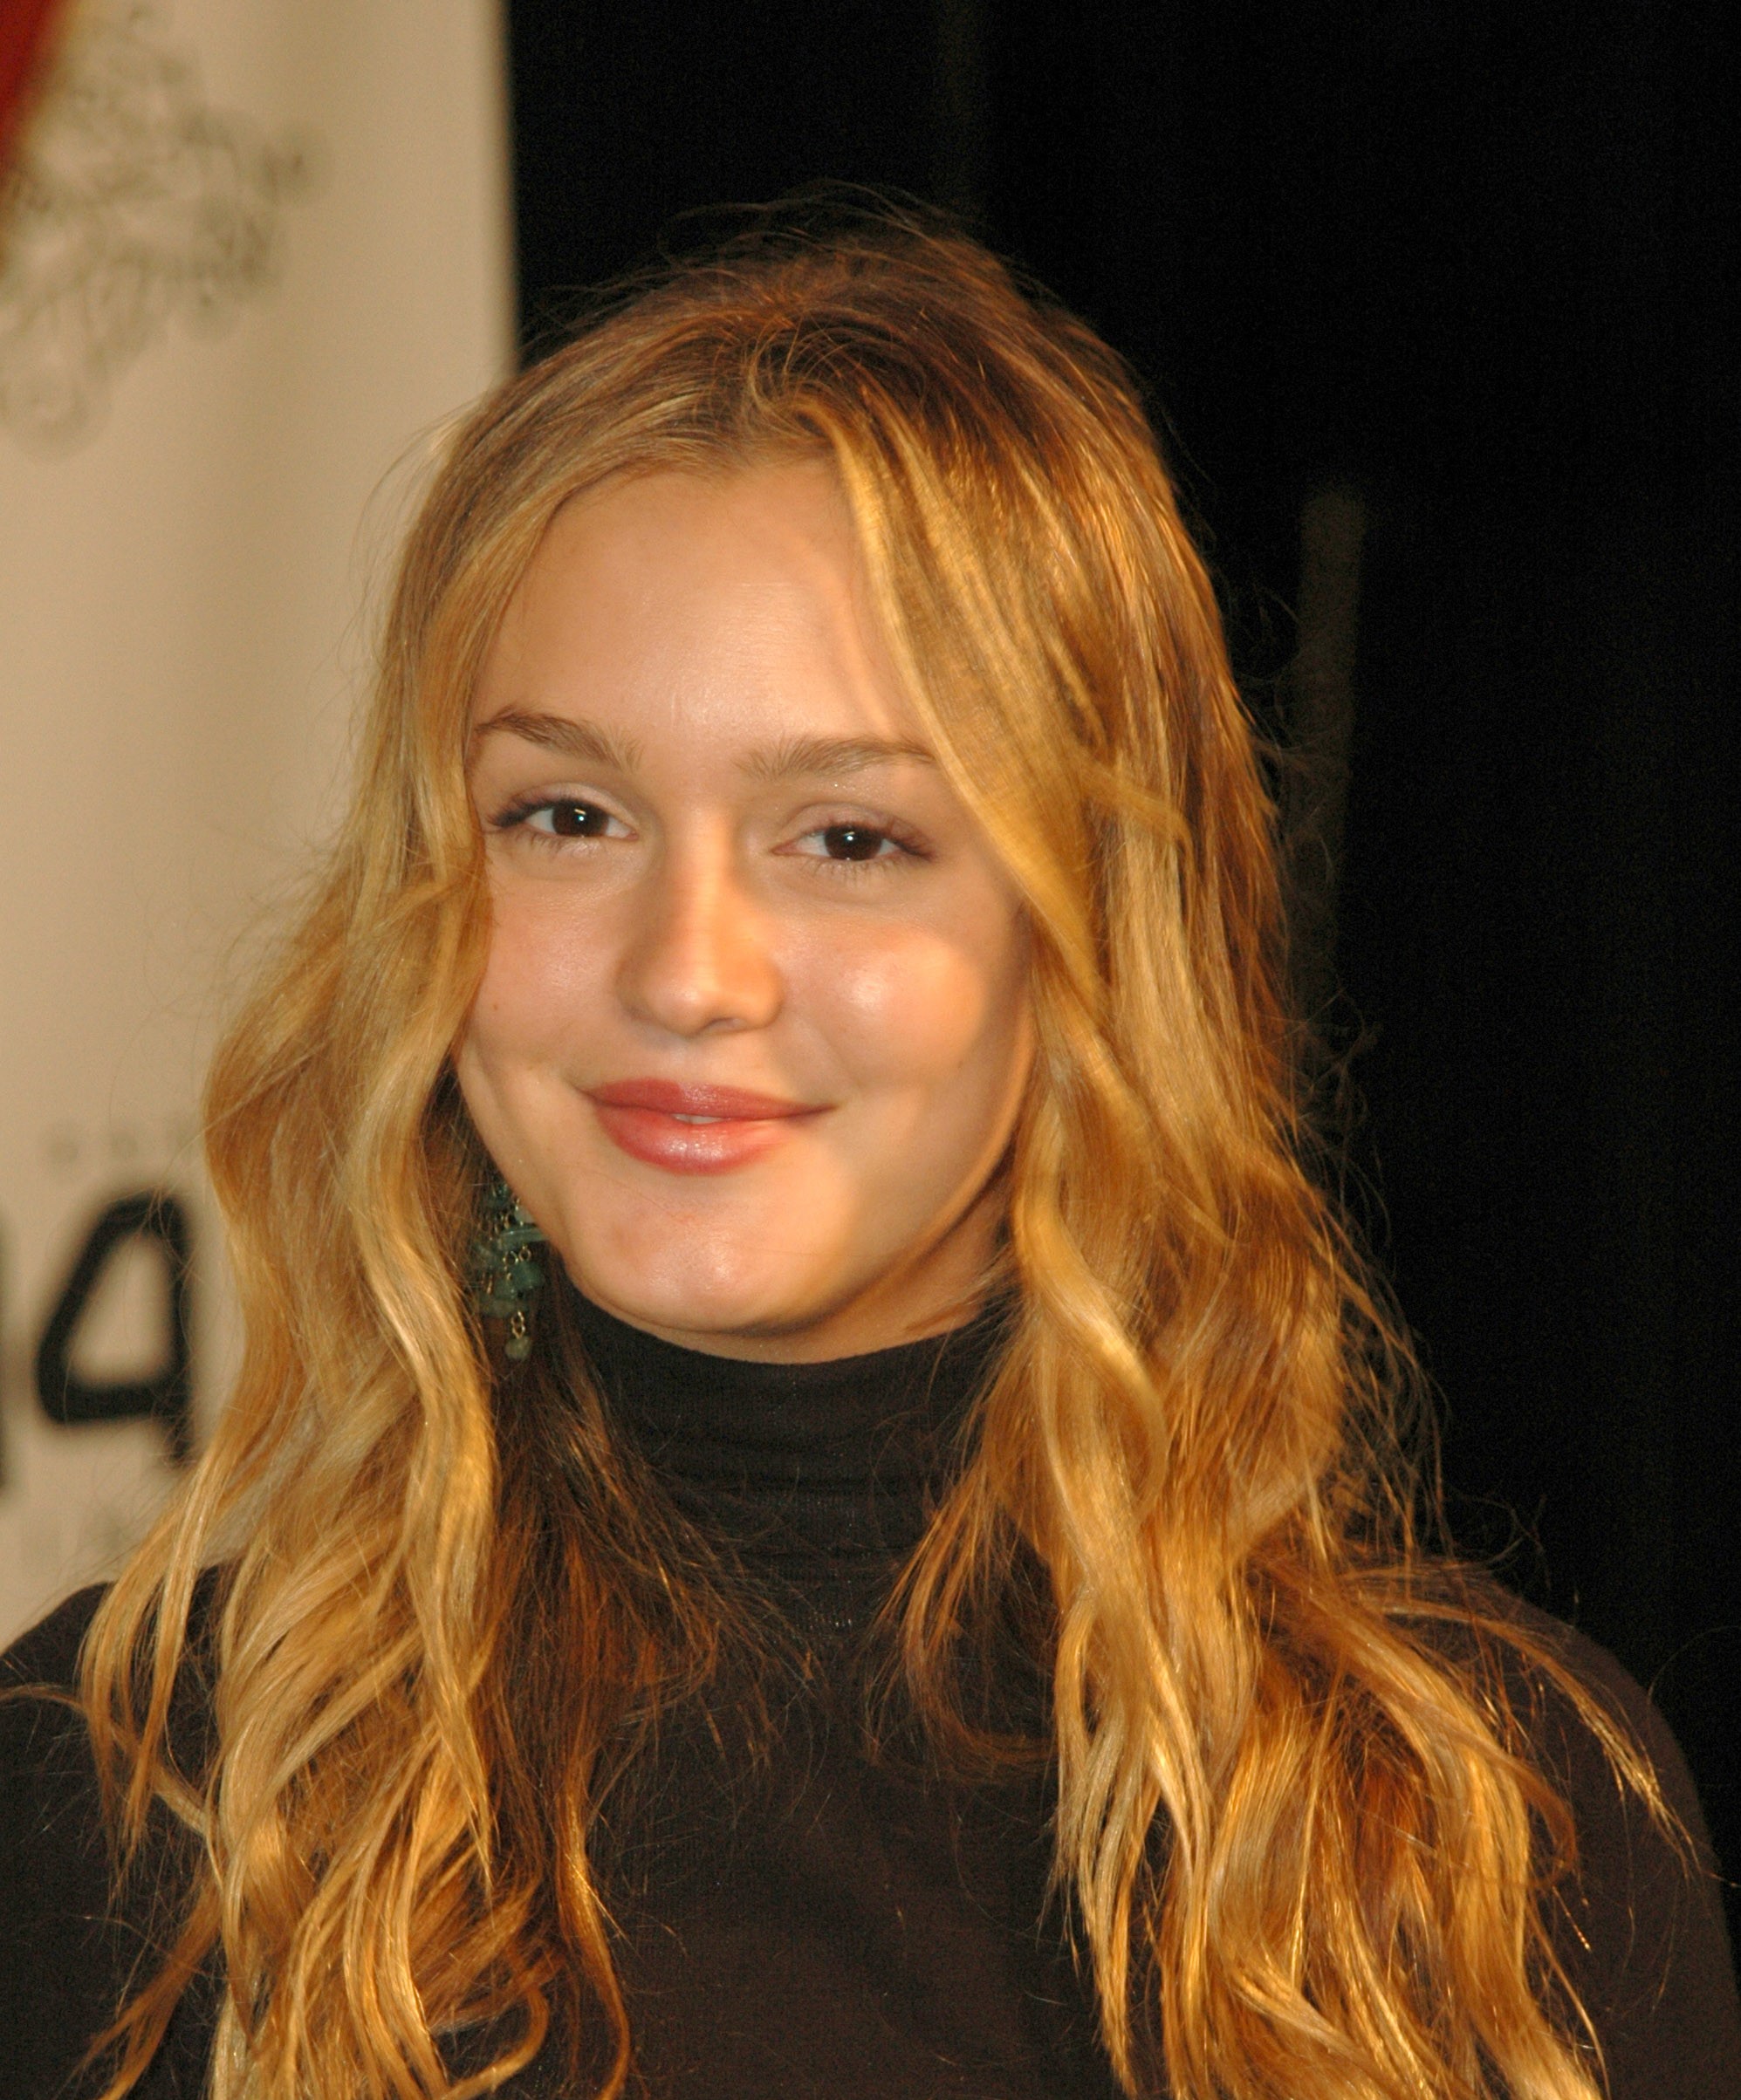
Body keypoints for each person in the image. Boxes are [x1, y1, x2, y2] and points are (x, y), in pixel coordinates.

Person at [3, 207, 1737, 2100]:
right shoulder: (126, 1801)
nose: (686, 974)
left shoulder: (1483, 1830)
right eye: (565, 814)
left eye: (848, 839)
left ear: (1082, 932)